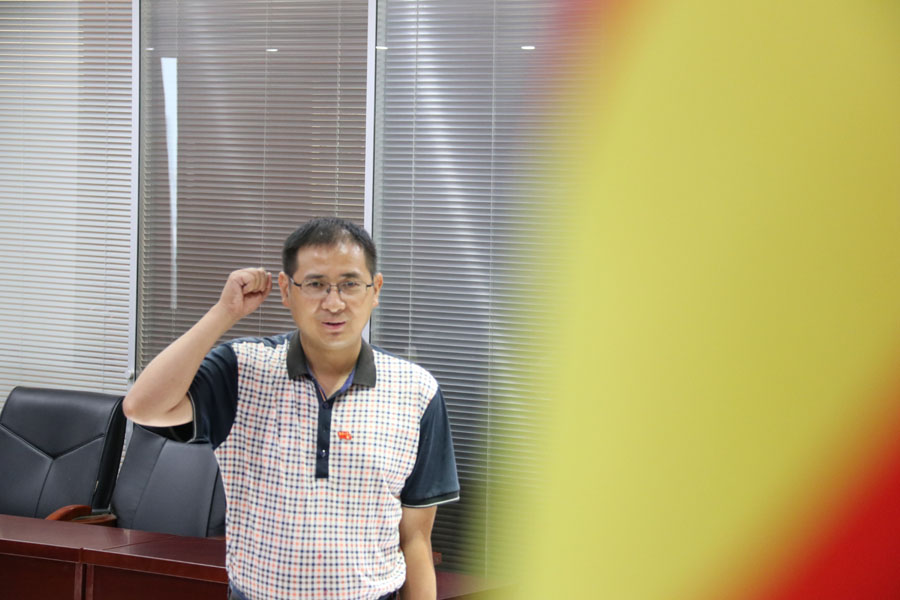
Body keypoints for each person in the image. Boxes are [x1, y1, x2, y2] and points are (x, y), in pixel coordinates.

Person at [124, 217, 460, 600]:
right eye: (315, 284)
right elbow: (142, 406)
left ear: (375, 289)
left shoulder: (416, 391)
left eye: (350, 284)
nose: (334, 303)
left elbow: (415, 538)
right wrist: (224, 313)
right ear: (286, 290)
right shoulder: (242, 369)